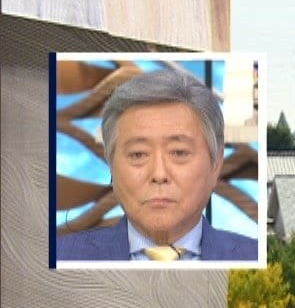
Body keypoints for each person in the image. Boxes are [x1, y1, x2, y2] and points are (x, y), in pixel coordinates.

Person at [56, 67, 259, 264]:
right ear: (111, 163)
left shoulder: (253, 256)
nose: (159, 174)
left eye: (179, 153)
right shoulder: (62, 256)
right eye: (138, 154)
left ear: (216, 164)